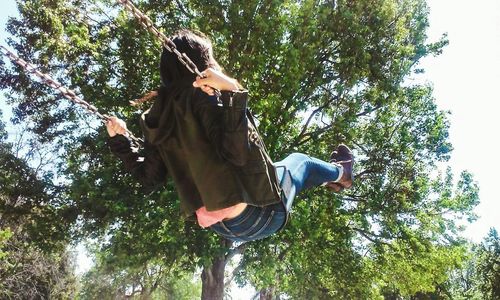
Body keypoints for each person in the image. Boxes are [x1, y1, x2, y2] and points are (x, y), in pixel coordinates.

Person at [106, 30, 354, 243]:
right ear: (202, 62)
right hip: (259, 215)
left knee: (292, 173)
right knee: (302, 162)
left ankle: (331, 180)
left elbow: (150, 178)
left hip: (224, 229)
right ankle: (343, 173)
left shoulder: (155, 118)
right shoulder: (205, 94)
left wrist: (120, 142)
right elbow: (236, 153)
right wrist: (233, 92)